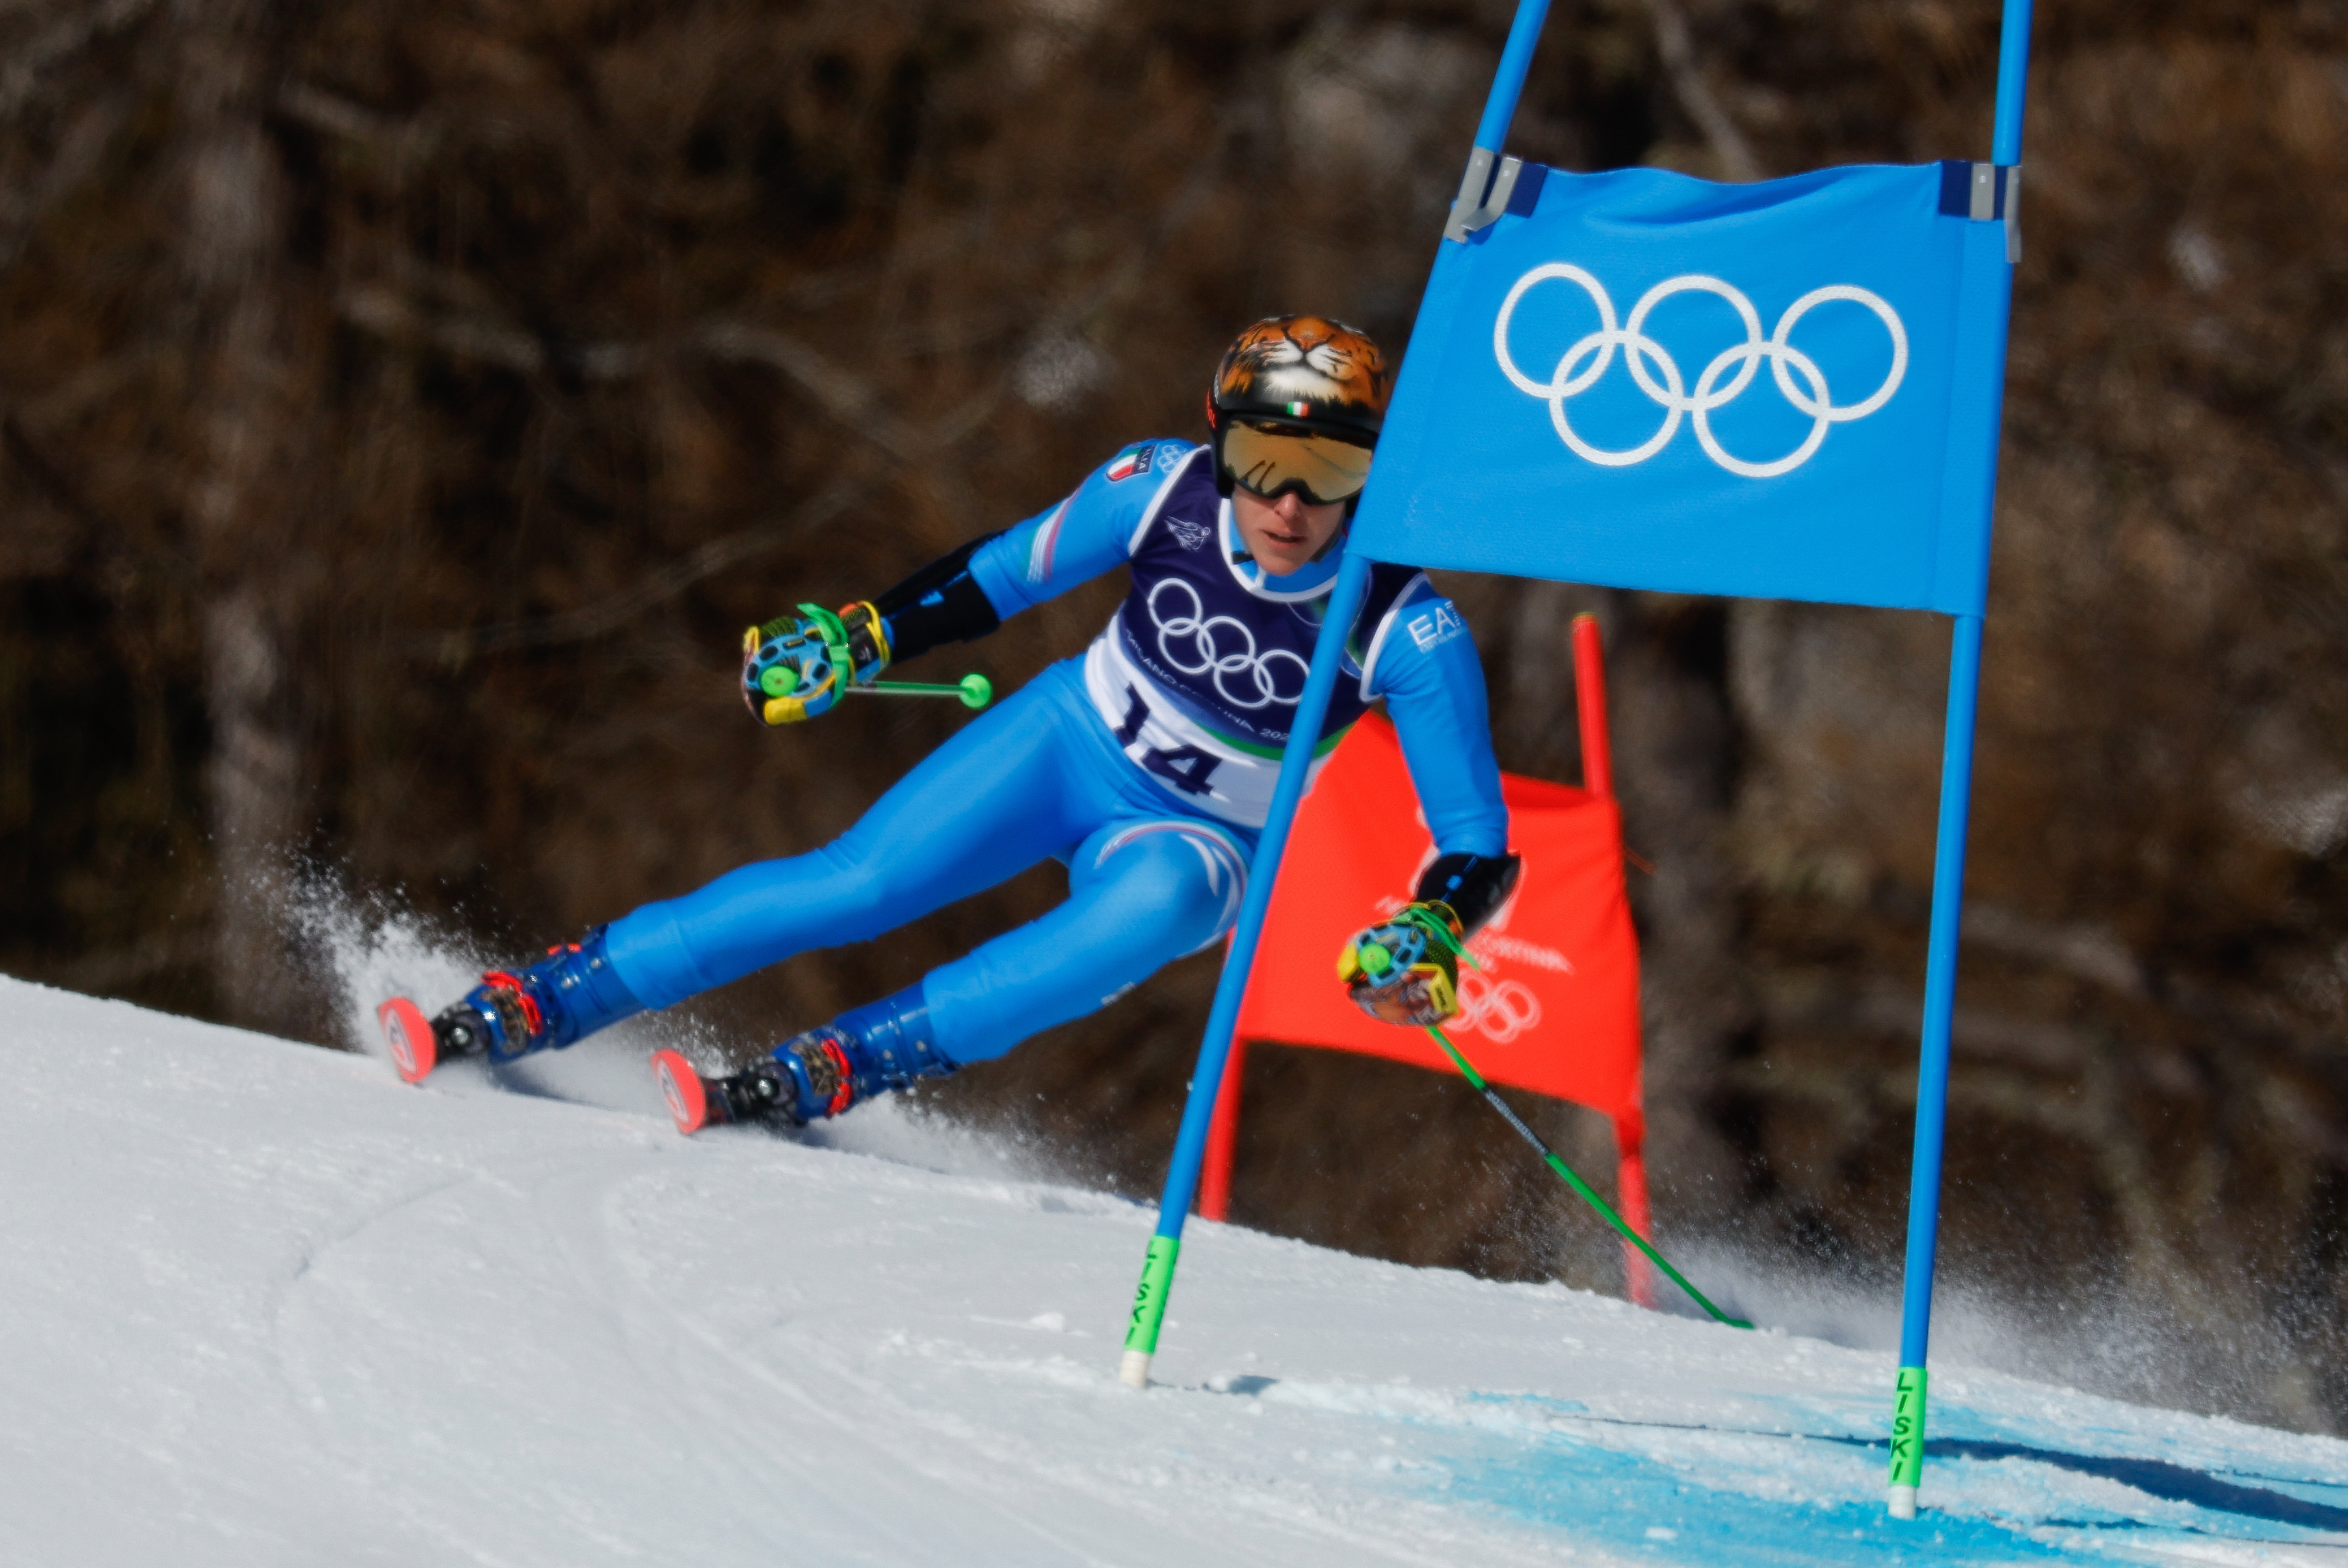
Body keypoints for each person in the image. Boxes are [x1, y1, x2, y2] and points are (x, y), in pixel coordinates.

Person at [376, 316, 1521, 1133]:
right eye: (1263, 461)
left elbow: (1476, 843)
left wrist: (1432, 931)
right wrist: (859, 637)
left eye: (1323, 470)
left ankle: (846, 1064)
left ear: (1369, 474)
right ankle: (553, 995)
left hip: (1201, 837)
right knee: (856, 886)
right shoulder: (1159, 490)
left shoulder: (1405, 626)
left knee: (1161, 908)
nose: (1286, 504)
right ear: (1218, 444)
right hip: (1071, 738)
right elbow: (998, 578)